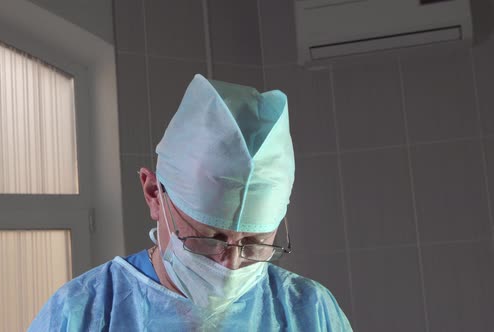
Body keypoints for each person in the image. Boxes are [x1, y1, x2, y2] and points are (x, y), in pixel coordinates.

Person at [28, 74, 352, 331]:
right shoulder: (80, 314)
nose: (231, 265)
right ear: (154, 193)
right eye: (210, 239)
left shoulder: (309, 312)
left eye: (254, 244)